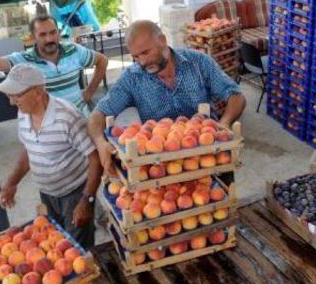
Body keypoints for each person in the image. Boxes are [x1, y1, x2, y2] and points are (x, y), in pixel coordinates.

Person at [88, 20, 246, 174]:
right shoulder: (132, 78)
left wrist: (224, 123)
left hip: (208, 151)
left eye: (145, 52)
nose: (142, 61)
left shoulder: (198, 62)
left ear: (162, 40)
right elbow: (98, 113)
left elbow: (236, 95)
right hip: (162, 165)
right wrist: (100, 143)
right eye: (135, 57)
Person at [0, 64, 102, 248]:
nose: (12, 101)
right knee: (57, 245)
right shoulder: (23, 114)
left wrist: (87, 200)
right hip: (48, 194)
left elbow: (95, 158)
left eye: (17, 95)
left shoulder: (66, 117)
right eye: (9, 95)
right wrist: (12, 182)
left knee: (77, 250)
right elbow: (29, 149)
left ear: (38, 92)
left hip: (75, 194)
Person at [0, 14, 108, 117]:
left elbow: (102, 60)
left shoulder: (74, 50)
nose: (49, 39)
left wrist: (89, 92)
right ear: (33, 37)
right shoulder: (24, 59)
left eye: (53, 32)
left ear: (58, 33)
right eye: (42, 35)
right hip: (50, 126)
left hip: (81, 119)